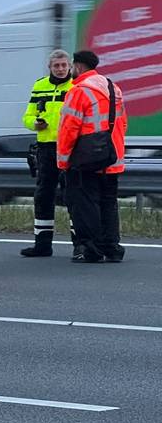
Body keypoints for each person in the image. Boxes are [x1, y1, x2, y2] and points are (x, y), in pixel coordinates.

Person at [57, 50, 127, 263]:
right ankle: (112, 248)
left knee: (86, 205)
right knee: (108, 204)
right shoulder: (113, 88)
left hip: (87, 160)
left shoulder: (79, 91)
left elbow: (68, 128)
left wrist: (63, 160)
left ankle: (92, 249)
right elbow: (122, 123)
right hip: (112, 157)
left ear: (78, 67)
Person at [19, 49, 74, 257]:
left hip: (69, 148)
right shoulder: (39, 85)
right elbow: (27, 116)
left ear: (69, 66)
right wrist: (35, 124)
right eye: (56, 66)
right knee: (43, 195)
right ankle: (42, 245)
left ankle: (79, 244)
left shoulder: (76, 86)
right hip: (45, 148)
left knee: (72, 195)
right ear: (49, 68)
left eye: (63, 65)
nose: (60, 69)